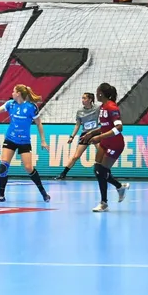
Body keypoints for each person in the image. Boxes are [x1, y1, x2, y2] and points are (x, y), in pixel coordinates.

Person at [0, 84, 50, 203]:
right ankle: (1, 195)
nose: (12, 93)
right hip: (10, 138)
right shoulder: (11, 104)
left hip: (24, 141)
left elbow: (39, 124)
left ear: (19, 94)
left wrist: (43, 141)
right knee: (3, 166)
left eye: (13, 91)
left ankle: (44, 193)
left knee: (28, 168)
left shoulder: (31, 107)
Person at [80, 82, 130, 212]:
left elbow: (119, 128)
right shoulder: (102, 107)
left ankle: (104, 203)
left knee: (102, 171)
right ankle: (119, 187)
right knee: (98, 169)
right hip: (106, 142)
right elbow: (105, 127)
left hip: (115, 144)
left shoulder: (112, 107)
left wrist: (99, 137)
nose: (96, 94)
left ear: (101, 93)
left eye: (97, 92)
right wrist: (92, 133)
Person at [56, 92, 98, 180]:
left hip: (95, 133)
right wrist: (72, 136)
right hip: (85, 135)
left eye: (84, 98)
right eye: (82, 98)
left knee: (103, 153)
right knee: (76, 156)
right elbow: (77, 125)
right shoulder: (80, 112)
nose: (82, 100)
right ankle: (63, 174)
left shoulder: (98, 108)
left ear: (90, 100)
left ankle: (107, 174)